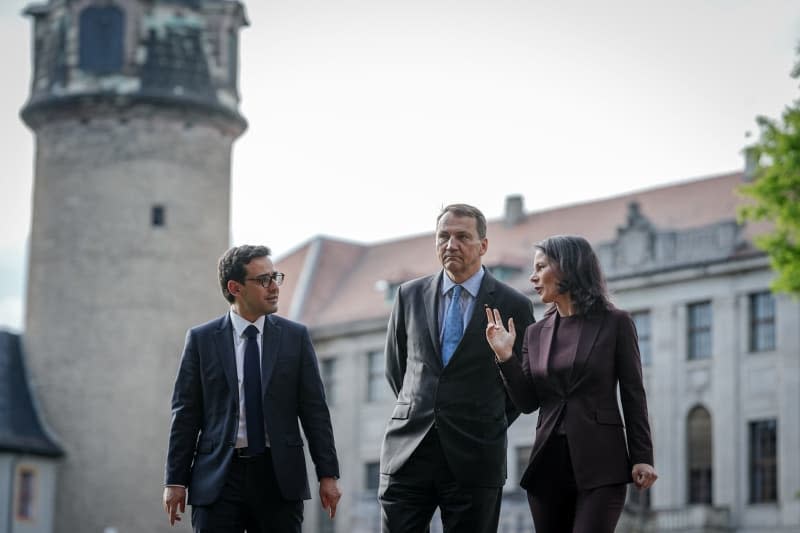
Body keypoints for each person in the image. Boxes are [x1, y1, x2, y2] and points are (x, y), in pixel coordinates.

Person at [379, 203, 536, 533]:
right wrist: (423, 409)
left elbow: (521, 387)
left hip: (476, 455)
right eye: (443, 237)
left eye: (462, 237)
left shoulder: (514, 305)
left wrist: (484, 418)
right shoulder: (409, 296)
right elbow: (397, 368)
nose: (451, 245)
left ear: (484, 245)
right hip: (409, 451)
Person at [485, 234, 657, 533]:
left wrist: (642, 457)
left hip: (602, 466)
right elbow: (527, 402)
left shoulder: (616, 322)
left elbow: (633, 393)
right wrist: (505, 357)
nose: (533, 276)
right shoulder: (536, 333)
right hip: (547, 468)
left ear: (567, 268)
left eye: (541, 267)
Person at [163, 245, 341, 532]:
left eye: (275, 277)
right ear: (235, 287)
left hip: (278, 475)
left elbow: (315, 411)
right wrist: (175, 480)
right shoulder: (201, 340)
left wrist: (328, 475)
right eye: (263, 280)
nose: (274, 287)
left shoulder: (295, 338)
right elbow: (185, 414)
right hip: (218, 477)